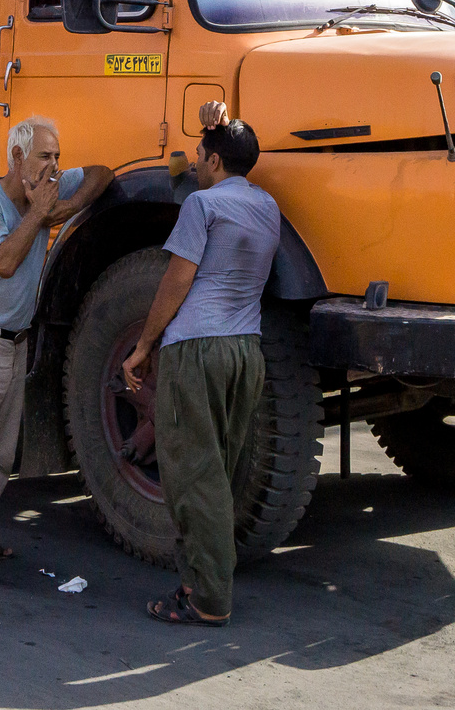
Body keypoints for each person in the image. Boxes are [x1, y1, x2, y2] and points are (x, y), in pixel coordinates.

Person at [122, 102, 280, 626]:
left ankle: (209, 599)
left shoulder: (203, 206)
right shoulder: (267, 207)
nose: (193, 164)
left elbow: (178, 279)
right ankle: (196, 581)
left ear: (214, 161)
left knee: (193, 476)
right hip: (245, 351)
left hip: (198, 348)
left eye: (199, 156)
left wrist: (144, 346)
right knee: (223, 472)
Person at [0, 116, 112, 589]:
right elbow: (3, 262)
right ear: (18, 159)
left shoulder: (50, 189)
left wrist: (65, 207)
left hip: (13, 342)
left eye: (58, 156)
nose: (55, 166)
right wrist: (41, 214)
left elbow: (103, 174)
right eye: (45, 157)